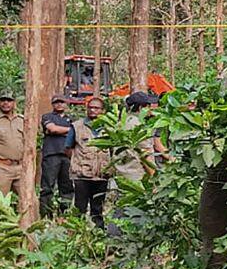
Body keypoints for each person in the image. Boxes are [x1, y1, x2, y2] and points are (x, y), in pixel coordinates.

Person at [66, 96, 110, 227]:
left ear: (102, 110)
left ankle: (98, 233)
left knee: (97, 208)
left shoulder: (109, 127)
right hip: (81, 175)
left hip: (101, 175)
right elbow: (68, 148)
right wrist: (77, 162)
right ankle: (76, 233)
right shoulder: (77, 126)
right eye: (90, 107)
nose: (92, 110)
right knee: (80, 207)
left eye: (96, 108)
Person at [113, 91, 168, 182]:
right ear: (140, 108)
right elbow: (145, 155)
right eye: (147, 106)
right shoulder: (138, 126)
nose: (150, 109)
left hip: (122, 174)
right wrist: (154, 179)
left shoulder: (122, 122)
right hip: (136, 175)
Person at [39, 95, 73, 215]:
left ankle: (64, 214)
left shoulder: (71, 118)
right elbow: (52, 129)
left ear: (66, 104)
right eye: (56, 102)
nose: (59, 105)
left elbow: (77, 132)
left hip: (68, 155)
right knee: (47, 187)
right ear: (52, 104)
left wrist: (59, 130)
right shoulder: (47, 116)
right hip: (51, 154)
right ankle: (45, 215)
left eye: (61, 102)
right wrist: (70, 130)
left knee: (67, 187)